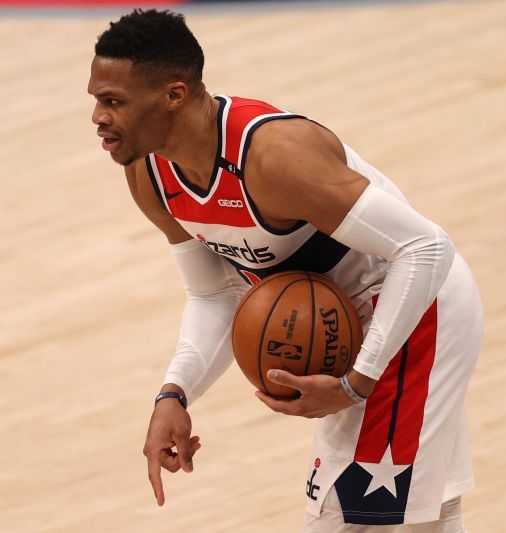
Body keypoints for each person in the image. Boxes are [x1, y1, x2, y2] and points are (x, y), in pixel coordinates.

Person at [88, 9, 483, 532]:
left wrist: (356, 383)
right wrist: (175, 392)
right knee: (412, 519)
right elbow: (215, 295)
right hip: (349, 331)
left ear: (174, 96)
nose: (97, 116)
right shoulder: (149, 173)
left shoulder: (274, 157)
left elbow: (427, 247)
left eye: (112, 101)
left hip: (413, 308)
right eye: (96, 99)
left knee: (351, 518)